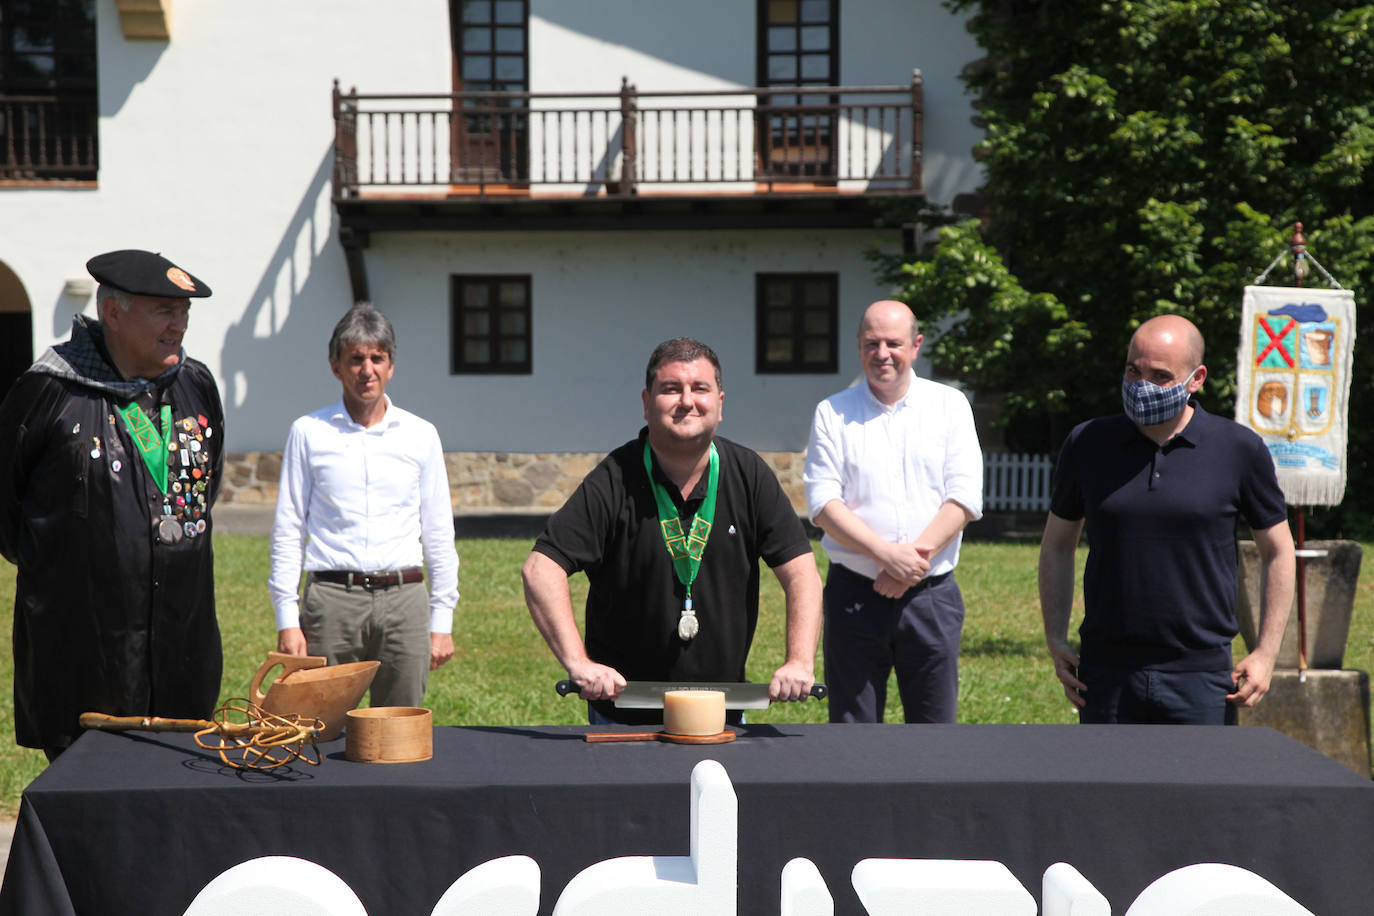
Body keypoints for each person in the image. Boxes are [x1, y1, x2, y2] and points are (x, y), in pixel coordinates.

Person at [523, 337, 822, 725]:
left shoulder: (749, 475)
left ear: (720, 403)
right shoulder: (614, 479)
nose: (687, 401)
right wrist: (578, 663)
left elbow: (802, 574)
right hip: (623, 714)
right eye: (670, 389)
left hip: (722, 714)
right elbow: (541, 569)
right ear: (647, 403)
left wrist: (799, 661)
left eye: (700, 388)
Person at [0, 249, 224, 759]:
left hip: (181, 657)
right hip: (85, 663)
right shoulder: (49, 391)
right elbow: (8, 517)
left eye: (184, 312)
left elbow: (203, 495)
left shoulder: (195, 385)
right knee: (91, 796)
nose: (179, 325)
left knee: (175, 794)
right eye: (164, 311)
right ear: (113, 313)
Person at [1039, 314, 1295, 724]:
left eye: (1160, 376)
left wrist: (1266, 652)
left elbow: (1279, 551)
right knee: (1105, 771)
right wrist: (1055, 638)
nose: (1142, 386)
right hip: (1106, 673)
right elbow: (1056, 545)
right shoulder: (1088, 443)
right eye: (1133, 371)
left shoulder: (1238, 449)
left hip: (1202, 676)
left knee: (1198, 771)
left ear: (1196, 379)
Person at [269, 303, 458, 707]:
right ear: (336, 367)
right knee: (319, 726)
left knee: (398, 730)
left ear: (391, 366)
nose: (367, 370)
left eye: (377, 358)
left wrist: (442, 620)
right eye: (355, 359)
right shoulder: (309, 433)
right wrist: (287, 619)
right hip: (332, 602)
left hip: (405, 601)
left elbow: (439, 531)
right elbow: (288, 529)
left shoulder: (420, 435)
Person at [803, 300, 983, 723]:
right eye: (871, 343)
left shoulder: (950, 405)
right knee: (853, 730)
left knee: (934, 730)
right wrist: (887, 556)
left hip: (930, 596)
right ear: (859, 347)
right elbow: (823, 504)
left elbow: (964, 497)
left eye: (893, 343)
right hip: (854, 597)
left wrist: (909, 566)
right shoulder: (833, 413)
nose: (882, 353)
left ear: (916, 345)